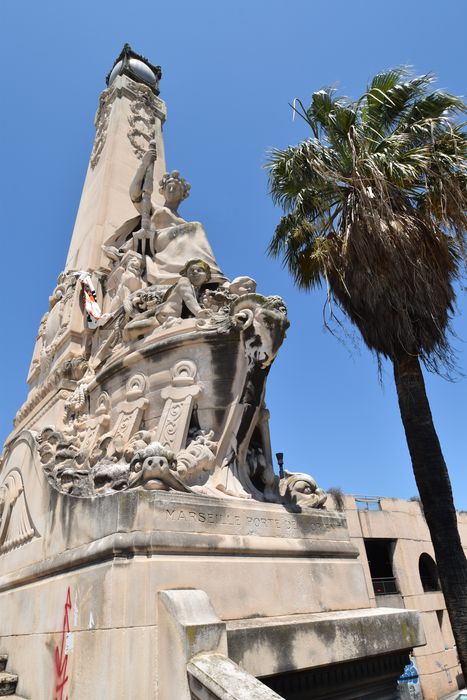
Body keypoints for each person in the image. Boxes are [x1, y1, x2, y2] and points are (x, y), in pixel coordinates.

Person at [123, 146, 224, 285]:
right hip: (159, 243)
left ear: (183, 195)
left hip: (176, 247)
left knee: (195, 228)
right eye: (168, 187)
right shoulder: (154, 207)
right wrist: (144, 164)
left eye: (176, 188)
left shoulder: (184, 222)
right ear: (163, 191)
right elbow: (135, 194)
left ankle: (206, 271)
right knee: (196, 227)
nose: (171, 189)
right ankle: (210, 272)